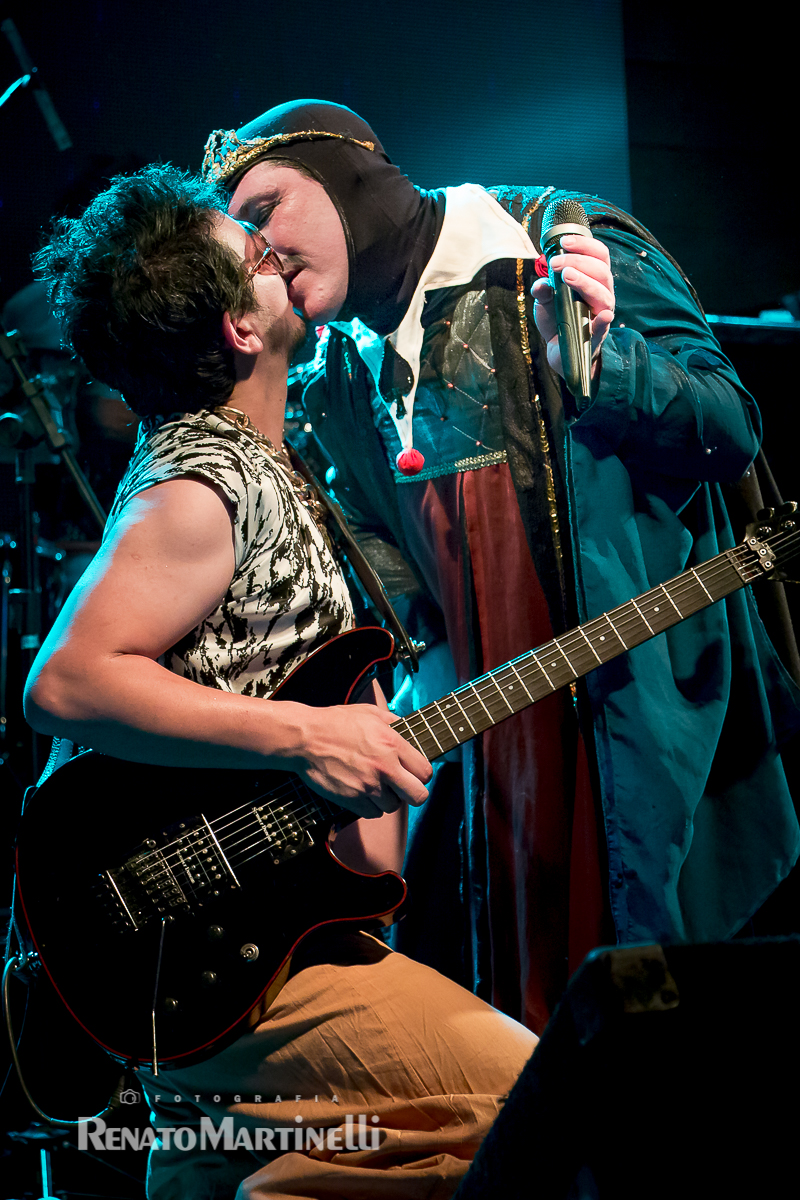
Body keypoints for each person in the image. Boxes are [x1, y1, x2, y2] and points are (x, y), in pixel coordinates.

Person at [202, 100, 800, 1035]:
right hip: (487, 750)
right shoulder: (339, 379)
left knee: (658, 1016)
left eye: (266, 209)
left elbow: (729, 428)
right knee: (508, 1026)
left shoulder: (561, 240)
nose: (260, 254)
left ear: (343, 174)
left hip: (635, 716)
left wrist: (602, 364)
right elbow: (385, 556)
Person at [24, 164, 536, 1200]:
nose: (282, 253)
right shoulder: (201, 486)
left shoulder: (257, 464)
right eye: (258, 253)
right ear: (240, 329)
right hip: (223, 955)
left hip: (236, 955)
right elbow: (68, 681)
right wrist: (307, 738)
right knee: (540, 1105)